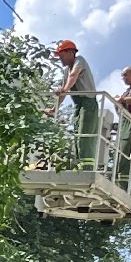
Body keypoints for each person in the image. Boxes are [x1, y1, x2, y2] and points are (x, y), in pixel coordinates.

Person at [52, 40, 99, 169]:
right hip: (78, 105)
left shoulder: (79, 60)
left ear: (71, 53)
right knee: (77, 135)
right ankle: (79, 166)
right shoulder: (67, 70)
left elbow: (73, 77)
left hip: (88, 103)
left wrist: (65, 89)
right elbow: (63, 90)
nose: (59, 58)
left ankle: (86, 168)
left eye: (61, 54)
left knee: (85, 135)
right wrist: (53, 109)